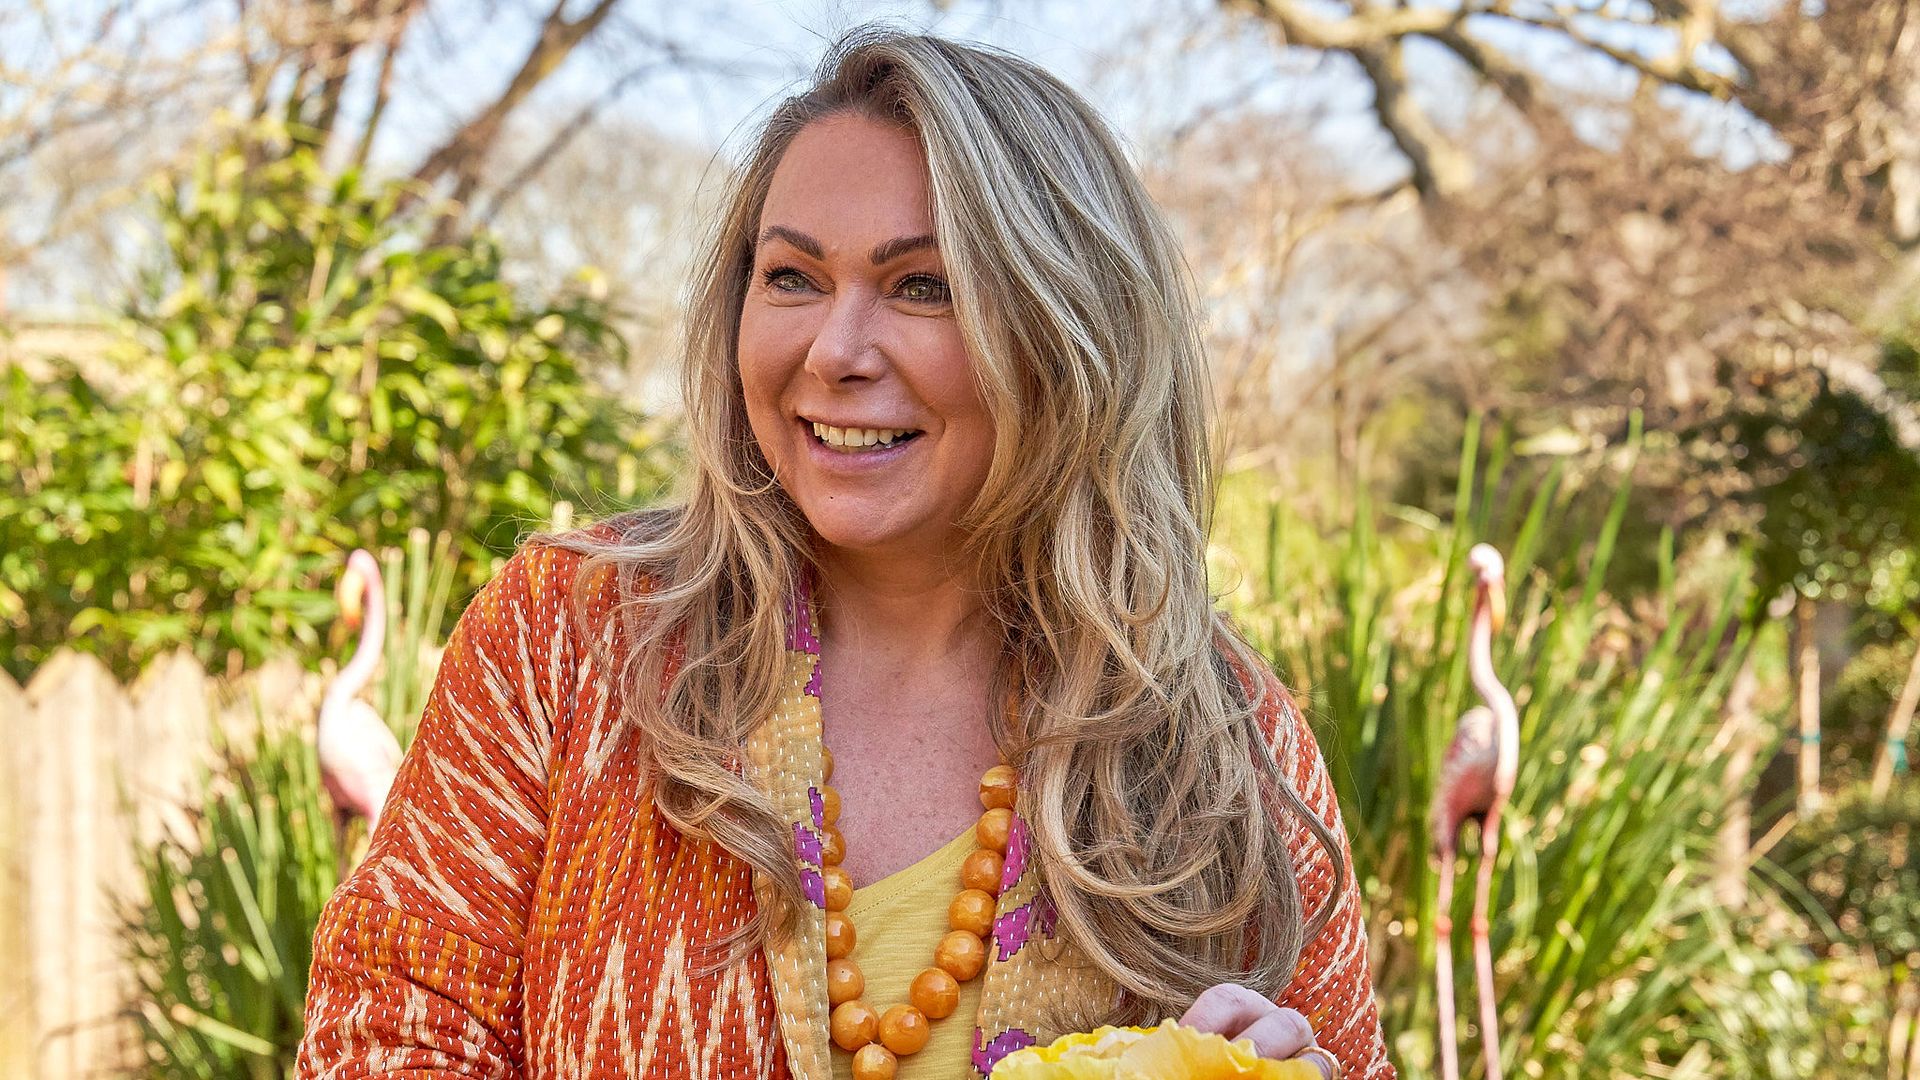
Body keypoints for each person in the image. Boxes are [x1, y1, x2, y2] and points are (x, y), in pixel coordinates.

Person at [295, 26, 1394, 1080]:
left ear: (1068, 335)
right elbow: (381, 1040)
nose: (833, 351)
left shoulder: (1221, 739)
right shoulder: (567, 640)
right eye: (793, 278)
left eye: (923, 286)